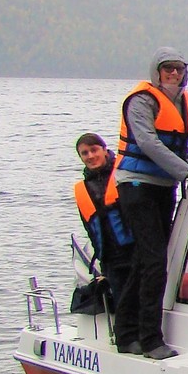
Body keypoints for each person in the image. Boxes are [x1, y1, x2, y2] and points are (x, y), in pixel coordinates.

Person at [109, 48, 188, 359]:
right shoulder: (142, 101)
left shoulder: (181, 101)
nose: (174, 74)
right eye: (168, 68)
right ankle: (151, 339)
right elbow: (148, 143)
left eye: (179, 69)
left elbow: (176, 142)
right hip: (137, 186)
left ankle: (125, 334)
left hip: (163, 186)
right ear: (156, 71)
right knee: (155, 262)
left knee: (144, 260)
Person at [72, 132, 133, 308]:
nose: (90, 156)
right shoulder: (82, 189)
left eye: (94, 150)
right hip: (111, 261)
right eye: (85, 153)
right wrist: (103, 267)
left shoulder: (124, 174)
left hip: (135, 253)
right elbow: (90, 230)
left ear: (105, 150)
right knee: (123, 307)